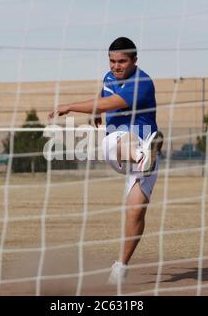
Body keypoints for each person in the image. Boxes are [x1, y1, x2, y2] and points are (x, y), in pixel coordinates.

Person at [48, 37, 163, 285]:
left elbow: (110, 102)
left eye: (122, 61)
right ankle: (142, 156)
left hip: (146, 146)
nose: (116, 66)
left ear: (134, 60)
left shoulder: (141, 83)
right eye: (112, 61)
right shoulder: (109, 77)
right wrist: (98, 115)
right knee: (124, 139)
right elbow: (103, 98)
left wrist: (71, 106)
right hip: (118, 147)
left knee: (136, 211)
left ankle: (120, 267)